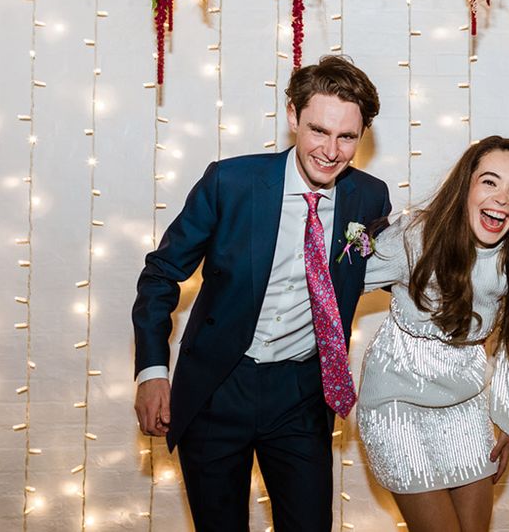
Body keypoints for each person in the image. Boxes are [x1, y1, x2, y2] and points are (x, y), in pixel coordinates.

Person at [132, 55, 391, 532]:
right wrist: (151, 371)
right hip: (217, 388)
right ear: (293, 117)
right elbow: (161, 274)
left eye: (347, 137)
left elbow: (391, 270)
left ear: (362, 135)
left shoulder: (369, 198)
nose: (330, 151)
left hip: (301, 395)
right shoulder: (230, 183)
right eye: (318, 130)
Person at [358, 136, 509, 532]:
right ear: (466, 186)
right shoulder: (415, 237)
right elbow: (335, 283)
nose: (502, 198)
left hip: (465, 406)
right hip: (395, 405)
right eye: (490, 182)